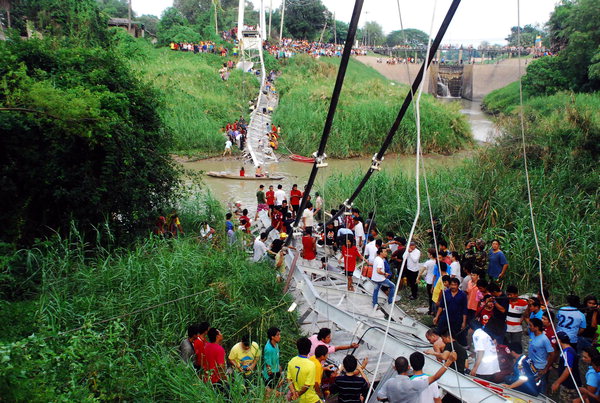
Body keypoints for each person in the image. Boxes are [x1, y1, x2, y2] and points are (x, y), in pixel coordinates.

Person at [377, 354, 455, 403]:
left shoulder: (389, 382)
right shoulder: (413, 384)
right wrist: (449, 361)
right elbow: (436, 377)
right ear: (408, 367)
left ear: (395, 368)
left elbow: (379, 397)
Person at [433, 278, 468, 346]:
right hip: (446, 316)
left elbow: (464, 309)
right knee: (440, 330)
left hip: (457, 318)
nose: (453, 287)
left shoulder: (462, 295)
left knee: (456, 334)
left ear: (458, 286)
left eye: (455, 285)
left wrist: (464, 322)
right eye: (452, 285)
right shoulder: (446, 293)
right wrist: (437, 317)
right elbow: (441, 306)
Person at [286, 337, 319, 403]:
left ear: (297, 348)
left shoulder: (291, 361)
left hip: (298, 399)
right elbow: (307, 385)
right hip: (310, 398)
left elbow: (288, 379)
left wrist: (294, 392)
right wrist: (298, 394)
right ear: (309, 349)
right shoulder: (311, 365)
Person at [551, 331, 582, 400]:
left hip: (569, 386)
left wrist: (557, 383)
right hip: (567, 383)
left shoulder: (568, 353)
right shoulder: (567, 351)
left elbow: (568, 370)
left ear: (559, 340)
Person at [527, 318, 554, 392]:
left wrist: (546, 368)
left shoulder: (544, 339)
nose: (529, 327)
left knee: (541, 387)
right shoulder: (532, 334)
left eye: (531, 325)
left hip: (540, 368)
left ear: (536, 327)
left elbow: (552, 354)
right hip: (531, 365)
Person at [263, 327, 282, 392]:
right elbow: (268, 365)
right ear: (272, 337)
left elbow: (277, 360)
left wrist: (280, 373)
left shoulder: (276, 344)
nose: (280, 336)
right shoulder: (268, 349)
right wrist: (272, 378)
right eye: (278, 335)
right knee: (271, 393)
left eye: (280, 334)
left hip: (276, 371)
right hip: (270, 375)